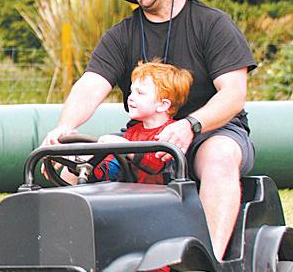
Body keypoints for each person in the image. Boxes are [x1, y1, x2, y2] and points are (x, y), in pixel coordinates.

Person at [43, 0, 256, 261]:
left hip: (210, 131)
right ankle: (66, 266)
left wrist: (191, 125)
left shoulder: (213, 25)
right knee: (73, 162)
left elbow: (234, 94)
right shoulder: (121, 35)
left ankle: (206, 267)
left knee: (220, 157)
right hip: (143, 135)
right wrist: (64, 130)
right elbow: (90, 85)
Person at [58, 60, 193, 185]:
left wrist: (124, 146)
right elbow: (112, 168)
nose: (131, 97)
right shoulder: (132, 133)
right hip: (132, 197)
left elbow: (155, 165)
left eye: (140, 93)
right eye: (131, 91)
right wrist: (83, 162)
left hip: (165, 198)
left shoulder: (172, 134)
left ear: (163, 105)